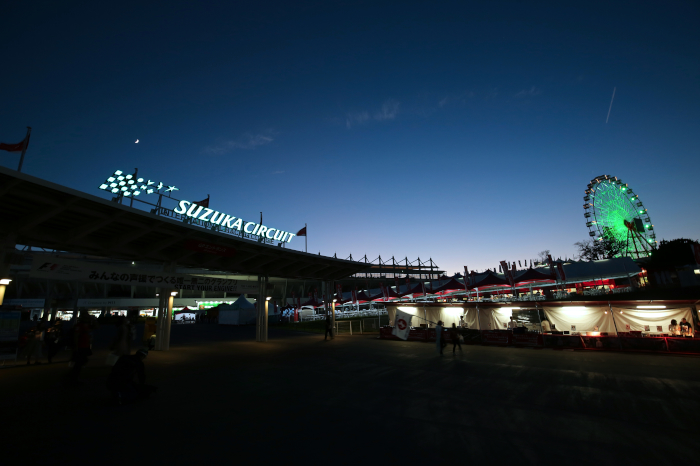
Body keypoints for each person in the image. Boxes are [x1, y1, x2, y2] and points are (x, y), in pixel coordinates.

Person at [68, 316, 94, 383]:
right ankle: (74, 377)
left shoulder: (86, 325)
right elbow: (76, 336)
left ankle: (74, 376)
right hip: (81, 346)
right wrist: (76, 346)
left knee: (81, 361)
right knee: (80, 361)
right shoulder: (80, 326)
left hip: (84, 346)